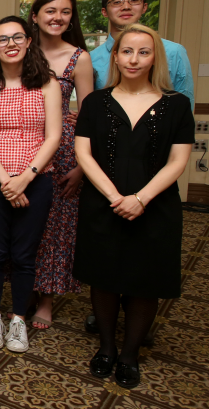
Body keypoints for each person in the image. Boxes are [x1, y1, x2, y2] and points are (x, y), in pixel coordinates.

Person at [74, 24, 192, 389]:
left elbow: (177, 161)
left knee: (144, 282)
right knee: (105, 278)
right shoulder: (96, 101)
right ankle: (107, 349)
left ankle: (129, 355)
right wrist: (114, 197)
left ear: (155, 56)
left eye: (144, 52)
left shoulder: (176, 104)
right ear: (115, 55)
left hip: (154, 206)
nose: (134, 59)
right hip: (102, 201)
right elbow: (83, 152)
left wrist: (139, 199)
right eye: (127, 51)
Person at [0, 16, 61, 353]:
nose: (11, 44)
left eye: (17, 37)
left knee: (25, 254)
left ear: (28, 42)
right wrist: (7, 181)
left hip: (37, 179)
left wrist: (25, 178)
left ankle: (19, 318)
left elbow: (54, 136)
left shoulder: (47, 83)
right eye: (3, 39)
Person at [26, 0, 94, 330]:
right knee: (24, 222)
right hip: (22, 144)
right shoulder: (21, 50)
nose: (58, 17)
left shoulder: (78, 57)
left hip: (65, 149)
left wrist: (83, 167)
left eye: (65, 12)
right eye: (50, 11)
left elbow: (90, 114)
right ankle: (24, 288)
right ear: (35, 15)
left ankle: (47, 297)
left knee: (56, 227)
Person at [91, 0, 193, 109]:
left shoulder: (174, 52)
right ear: (104, 11)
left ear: (144, 7)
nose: (126, 7)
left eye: (134, 0)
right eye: (117, 2)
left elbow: (185, 110)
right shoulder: (91, 58)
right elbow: (91, 107)